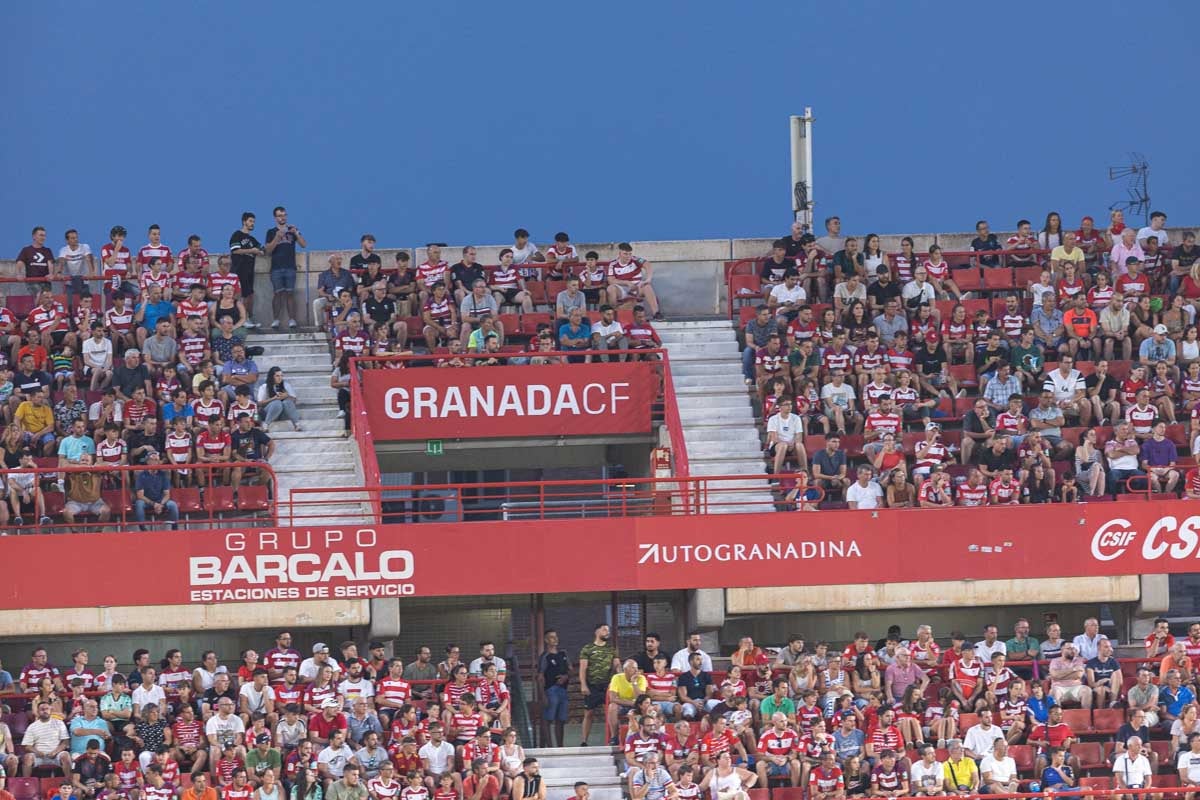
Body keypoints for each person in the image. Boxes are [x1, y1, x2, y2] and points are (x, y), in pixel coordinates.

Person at [264, 207, 306, 329]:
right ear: (275, 218)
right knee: (277, 294)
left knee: (290, 293)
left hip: (290, 267)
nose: (282, 217)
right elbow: (268, 250)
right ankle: (276, 320)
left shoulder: (292, 230)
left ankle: (292, 320)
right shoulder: (271, 232)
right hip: (276, 267)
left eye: (284, 215)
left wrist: (296, 233)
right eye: (279, 215)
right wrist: (277, 237)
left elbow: (303, 245)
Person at [577, 624, 617, 748]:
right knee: (588, 713)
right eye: (604, 629)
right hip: (592, 685)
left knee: (610, 711)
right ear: (597, 631)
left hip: (607, 685)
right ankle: (584, 741)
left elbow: (616, 665)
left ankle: (613, 738)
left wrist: (620, 674)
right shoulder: (587, 649)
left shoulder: (611, 649)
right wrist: (583, 685)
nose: (607, 632)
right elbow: (583, 668)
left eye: (608, 630)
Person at [134, 450, 179, 529]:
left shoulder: (163, 475)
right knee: (139, 503)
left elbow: (167, 494)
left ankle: (175, 529)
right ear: (147, 462)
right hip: (147, 501)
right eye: (152, 460)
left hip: (161, 501)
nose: (155, 462)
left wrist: (160, 504)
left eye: (157, 460)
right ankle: (143, 529)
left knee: (172, 505)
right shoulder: (141, 475)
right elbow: (140, 496)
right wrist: (154, 504)